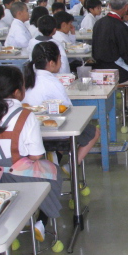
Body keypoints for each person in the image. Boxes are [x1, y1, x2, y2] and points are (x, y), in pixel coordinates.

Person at [0, 65, 63, 233]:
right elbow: (36, 156)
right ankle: (41, 222)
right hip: (20, 176)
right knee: (54, 172)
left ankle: (5, 229)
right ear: (17, 91)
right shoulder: (25, 115)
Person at [23, 42, 100, 172]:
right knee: (93, 132)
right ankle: (72, 166)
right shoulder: (52, 82)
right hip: (49, 132)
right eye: (60, 58)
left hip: (28, 132)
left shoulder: (26, 78)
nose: (61, 62)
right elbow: (68, 109)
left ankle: (53, 158)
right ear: (52, 63)